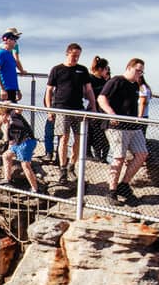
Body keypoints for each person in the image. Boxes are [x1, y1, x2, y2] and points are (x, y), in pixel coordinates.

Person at [97, 58, 148, 202]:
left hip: (133, 126)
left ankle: (124, 184)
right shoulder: (116, 81)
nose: (140, 73)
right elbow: (101, 98)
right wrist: (111, 114)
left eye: (142, 71)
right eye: (137, 70)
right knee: (119, 157)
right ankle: (111, 191)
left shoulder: (135, 86)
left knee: (142, 154)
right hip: (117, 126)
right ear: (129, 68)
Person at [44, 43, 95, 183]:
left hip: (78, 108)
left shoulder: (82, 70)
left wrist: (93, 105)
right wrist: (49, 109)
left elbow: (89, 90)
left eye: (78, 56)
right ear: (67, 54)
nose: (75, 59)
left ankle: (72, 165)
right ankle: (63, 168)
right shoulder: (57, 69)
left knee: (79, 138)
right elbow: (49, 90)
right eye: (73, 56)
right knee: (64, 138)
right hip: (61, 108)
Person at [1, 107, 40, 191]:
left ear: (4, 114)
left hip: (26, 141)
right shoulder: (9, 126)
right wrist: (6, 127)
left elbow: (19, 110)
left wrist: (8, 105)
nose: (0, 120)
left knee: (25, 165)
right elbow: (10, 142)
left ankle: (35, 189)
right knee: (6, 156)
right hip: (17, 143)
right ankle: (7, 180)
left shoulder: (13, 115)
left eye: (0, 117)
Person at [87, 57, 112, 162]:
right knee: (91, 133)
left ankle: (101, 156)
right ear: (101, 69)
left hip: (103, 110)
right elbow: (89, 92)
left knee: (102, 134)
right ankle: (88, 153)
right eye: (106, 68)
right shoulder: (91, 78)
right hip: (93, 108)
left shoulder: (104, 80)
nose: (107, 71)